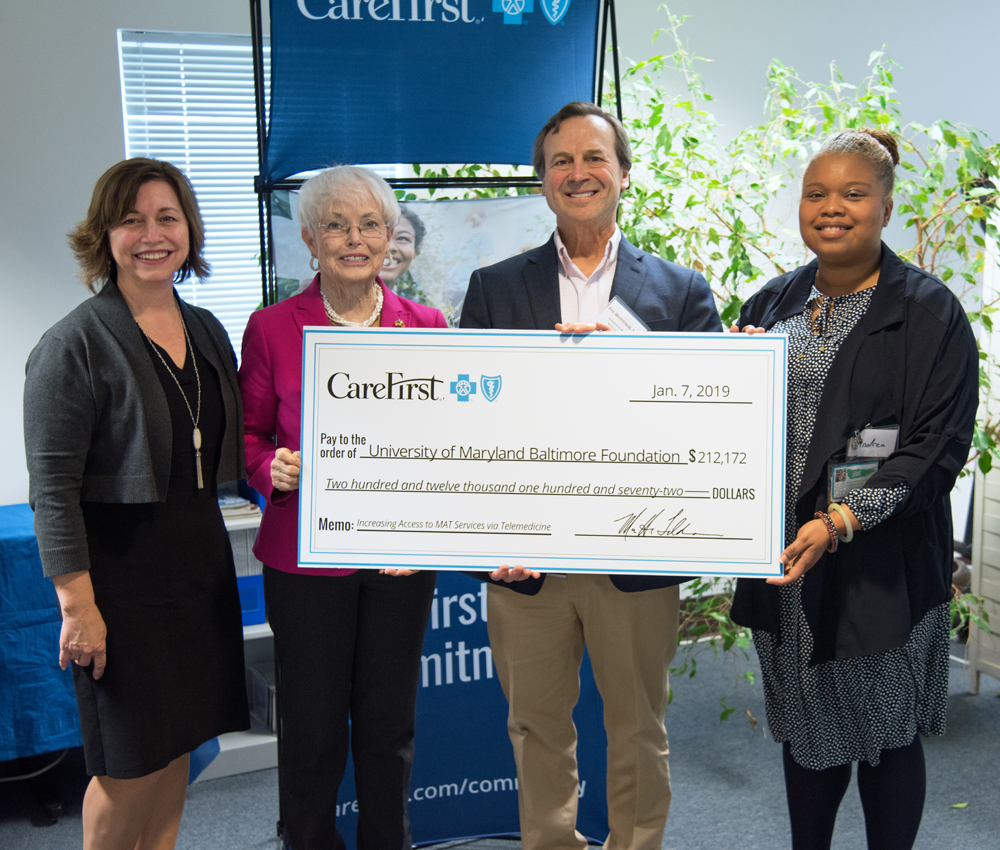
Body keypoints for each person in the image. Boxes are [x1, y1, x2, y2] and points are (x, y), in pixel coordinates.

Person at [460, 101, 722, 850]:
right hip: (526, 557)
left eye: (595, 158)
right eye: (561, 161)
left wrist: (627, 353)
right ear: (542, 181)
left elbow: (705, 424)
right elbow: (469, 425)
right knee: (535, 727)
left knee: (637, 727)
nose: (579, 173)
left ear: (624, 174)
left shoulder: (680, 292)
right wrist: (488, 534)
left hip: (635, 556)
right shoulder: (494, 289)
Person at [730, 128, 979, 850]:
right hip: (787, 563)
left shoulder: (930, 314)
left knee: (886, 737)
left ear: (887, 206)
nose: (831, 207)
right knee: (807, 733)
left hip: (882, 568)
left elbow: (935, 450)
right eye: (816, 194)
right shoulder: (769, 303)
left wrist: (840, 520)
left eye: (852, 194)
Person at [23, 158, 249, 850]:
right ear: (106, 234)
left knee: (178, 752)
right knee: (127, 767)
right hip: (118, 585)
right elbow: (52, 492)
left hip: (196, 569)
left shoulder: (206, 326)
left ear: (189, 230)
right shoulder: (74, 344)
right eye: (132, 220)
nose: (151, 235)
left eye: (167, 218)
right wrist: (77, 606)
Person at [238, 165, 447, 850]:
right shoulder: (272, 328)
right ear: (308, 238)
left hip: (398, 559)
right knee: (312, 729)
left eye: (367, 225)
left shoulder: (428, 326)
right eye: (335, 224)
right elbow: (248, 437)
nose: (352, 239)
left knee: (388, 726)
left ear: (390, 237)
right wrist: (272, 467)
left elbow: (450, 442)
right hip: (304, 561)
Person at [380, 204, 425, 301]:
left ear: (416, 251)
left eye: (402, 238)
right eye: (380, 237)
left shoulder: (423, 312)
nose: (390, 246)